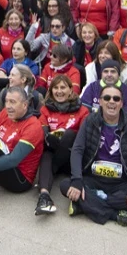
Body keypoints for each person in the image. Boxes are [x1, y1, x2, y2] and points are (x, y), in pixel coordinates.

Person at [61, 83, 127, 227]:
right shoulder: (90, 121)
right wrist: (77, 179)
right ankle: (116, 215)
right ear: (100, 101)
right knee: (66, 185)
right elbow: (77, 150)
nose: (111, 102)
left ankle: (85, 205)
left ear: (121, 103)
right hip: (93, 179)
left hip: (120, 183)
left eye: (116, 99)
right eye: (107, 98)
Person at [34, 74, 91, 214]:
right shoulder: (45, 109)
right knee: (47, 154)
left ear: (71, 90)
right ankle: (44, 196)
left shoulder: (83, 111)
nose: (59, 91)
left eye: (63, 87)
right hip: (52, 151)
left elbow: (84, 138)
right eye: (56, 88)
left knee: (70, 135)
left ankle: (48, 173)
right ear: (51, 91)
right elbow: (43, 131)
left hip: (72, 159)